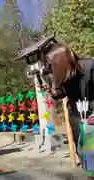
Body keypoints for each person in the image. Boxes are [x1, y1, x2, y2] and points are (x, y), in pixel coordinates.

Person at [47, 43, 94, 179]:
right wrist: (53, 93)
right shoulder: (63, 75)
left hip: (92, 116)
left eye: (53, 64)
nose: (52, 67)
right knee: (84, 155)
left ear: (61, 61)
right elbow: (62, 93)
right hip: (77, 117)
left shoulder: (90, 66)